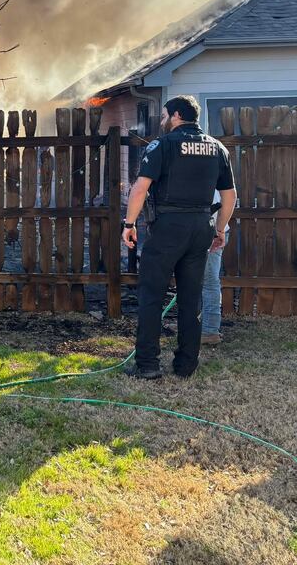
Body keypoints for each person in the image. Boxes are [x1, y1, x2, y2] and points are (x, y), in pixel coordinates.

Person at [122, 95, 237, 380]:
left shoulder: (162, 145)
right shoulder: (217, 148)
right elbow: (229, 196)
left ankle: (147, 364)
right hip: (201, 226)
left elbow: (140, 189)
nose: (162, 121)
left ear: (175, 115)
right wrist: (219, 229)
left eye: (163, 116)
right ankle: (186, 364)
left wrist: (129, 223)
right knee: (190, 297)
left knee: (151, 294)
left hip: (168, 226)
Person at [200, 190, 229, 345]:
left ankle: (209, 331)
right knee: (199, 281)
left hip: (212, 232)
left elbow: (224, 201)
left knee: (209, 282)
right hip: (205, 231)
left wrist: (217, 232)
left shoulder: (206, 170)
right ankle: (198, 326)